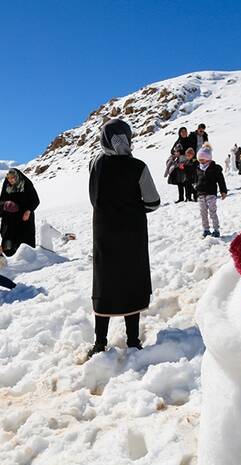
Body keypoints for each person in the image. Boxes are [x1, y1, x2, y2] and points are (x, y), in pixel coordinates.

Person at [87, 118, 160, 358]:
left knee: (105, 282)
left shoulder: (95, 164)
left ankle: (100, 343)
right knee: (131, 280)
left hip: (103, 232)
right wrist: (133, 209)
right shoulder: (138, 167)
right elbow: (153, 202)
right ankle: (133, 341)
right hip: (132, 234)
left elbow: (94, 198)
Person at [0, 168, 40, 256]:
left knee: (24, 241)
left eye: (13, 177)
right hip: (10, 220)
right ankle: (9, 259)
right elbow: (1, 201)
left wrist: (28, 211)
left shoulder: (26, 185)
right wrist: (5, 204)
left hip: (24, 219)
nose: (10, 180)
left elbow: (36, 200)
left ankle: (26, 259)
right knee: (8, 241)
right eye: (9, 178)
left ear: (17, 177)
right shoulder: (7, 186)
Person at [195, 146, 227, 237]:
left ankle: (216, 229)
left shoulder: (215, 168)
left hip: (211, 193)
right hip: (201, 193)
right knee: (203, 212)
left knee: (212, 211)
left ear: (208, 159)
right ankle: (206, 229)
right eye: (199, 159)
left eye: (202, 159)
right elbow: (196, 180)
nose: (201, 161)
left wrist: (223, 191)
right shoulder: (198, 168)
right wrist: (195, 190)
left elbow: (221, 180)